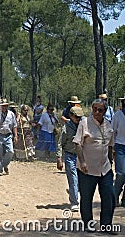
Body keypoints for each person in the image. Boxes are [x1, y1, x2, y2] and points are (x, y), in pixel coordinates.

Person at [73, 98, 115, 232]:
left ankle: (106, 225)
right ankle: (88, 224)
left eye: (100, 110)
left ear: (105, 111)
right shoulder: (84, 123)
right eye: (94, 109)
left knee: (109, 196)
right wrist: (82, 162)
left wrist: (111, 160)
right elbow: (77, 144)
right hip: (87, 169)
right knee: (86, 198)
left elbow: (109, 146)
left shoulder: (108, 125)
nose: (96, 112)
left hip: (105, 169)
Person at [56, 106, 84, 212]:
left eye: (80, 117)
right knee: (73, 178)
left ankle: (78, 195)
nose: (78, 119)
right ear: (71, 116)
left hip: (82, 156)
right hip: (70, 156)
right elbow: (60, 143)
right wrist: (59, 158)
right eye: (76, 117)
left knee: (82, 179)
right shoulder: (66, 128)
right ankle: (74, 202)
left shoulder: (84, 125)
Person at [0, 98, 18, 175]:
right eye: (3, 106)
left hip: (8, 135)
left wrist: (16, 135)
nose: (4, 107)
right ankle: (0, 169)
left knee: (10, 151)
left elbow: (14, 125)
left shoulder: (11, 114)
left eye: (5, 106)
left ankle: (5, 164)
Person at [113, 96, 125, 207]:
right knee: (121, 173)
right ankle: (115, 195)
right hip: (120, 146)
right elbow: (113, 132)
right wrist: (112, 147)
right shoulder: (118, 115)